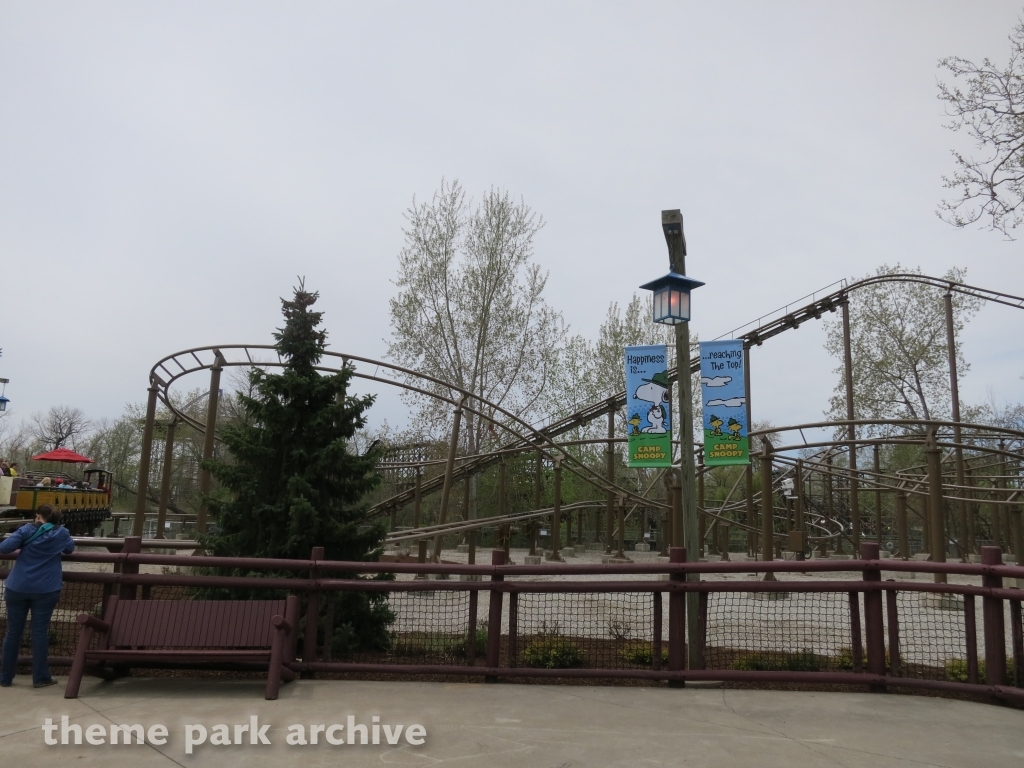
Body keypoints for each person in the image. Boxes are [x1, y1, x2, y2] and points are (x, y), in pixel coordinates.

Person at [0, 505, 75, 688]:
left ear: (38, 516)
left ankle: (5, 677)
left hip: (18, 586)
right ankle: (40, 677)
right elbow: (70, 549)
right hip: (46, 588)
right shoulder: (62, 533)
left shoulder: (26, 530)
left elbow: (5, 548)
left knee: (13, 632)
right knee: (40, 633)